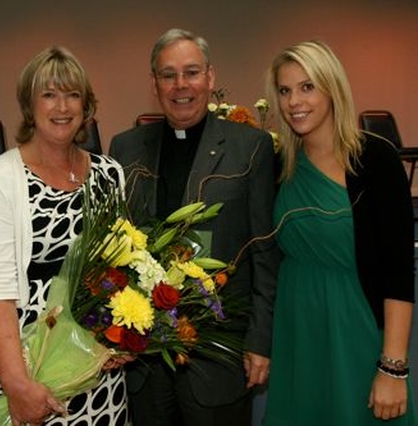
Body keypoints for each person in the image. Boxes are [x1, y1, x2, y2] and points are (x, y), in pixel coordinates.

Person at [109, 28, 280, 425]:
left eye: (191, 72)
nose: (180, 85)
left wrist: (260, 340)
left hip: (218, 353)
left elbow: (264, 253)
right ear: (154, 84)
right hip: (144, 359)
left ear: (210, 77)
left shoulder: (250, 147)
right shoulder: (126, 147)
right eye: (168, 75)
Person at [0, 46, 129, 426]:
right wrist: (16, 383)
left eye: (73, 94)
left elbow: (125, 268)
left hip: (98, 368)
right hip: (28, 363)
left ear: (86, 105)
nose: (62, 107)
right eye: (49, 94)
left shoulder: (111, 173)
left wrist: (126, 338)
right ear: (30, 104)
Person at [262, 40, 416, 425]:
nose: (294, 101)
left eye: (307, 87)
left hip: (355, 324)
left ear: (333, 89)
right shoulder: (279, 166)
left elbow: (399, 272)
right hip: (297, 328)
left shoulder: (375, 160)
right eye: (285, 90)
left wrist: (393, 368)